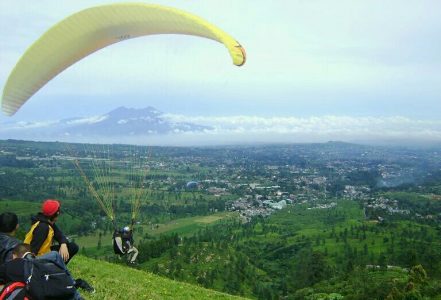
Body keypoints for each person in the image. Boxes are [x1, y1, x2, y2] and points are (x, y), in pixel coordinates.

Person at [0, 243, 94, 299]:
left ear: (14, 255)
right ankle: (75, 285)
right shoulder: (47, 262)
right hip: (64, 290)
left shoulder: (10, 265)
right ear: (32, 254)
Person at [24, 199, 78, 264]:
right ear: (57, 213)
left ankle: (57, 268)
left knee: (72, 247)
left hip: (44, 252)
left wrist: (63, 244)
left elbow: (59, 235)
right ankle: (55, 270)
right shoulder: (43, 228)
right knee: (68, 249)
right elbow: (33, 250)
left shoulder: (47, 222)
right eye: (58, 211)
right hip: (38, 257)